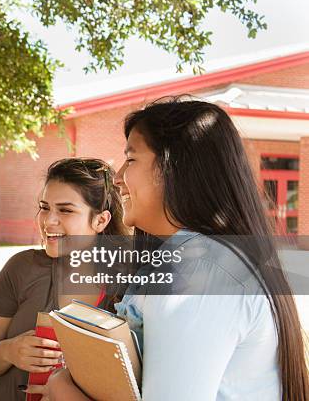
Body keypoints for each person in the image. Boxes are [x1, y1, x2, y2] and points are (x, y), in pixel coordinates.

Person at [47, 98, 309, 400]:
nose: (117, 178)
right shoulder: (197, 262)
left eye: (131, 159)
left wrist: (61, 387)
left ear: (176, 169)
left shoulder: (199, 275)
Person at [0, 157, 129, 401]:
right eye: (44, 207)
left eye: (65, 210)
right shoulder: (21, 268)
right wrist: (9, 351)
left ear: (101, 220)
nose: (48, 221)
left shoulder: (127, 286)